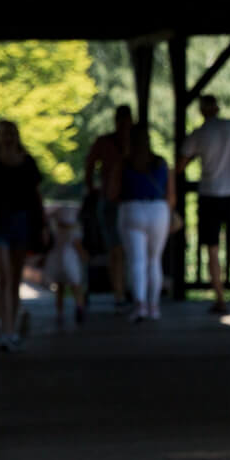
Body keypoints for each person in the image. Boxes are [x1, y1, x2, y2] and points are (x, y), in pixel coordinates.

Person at [179, 95, 230, 313]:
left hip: (210, 193)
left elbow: (180, 165)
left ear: (202, 111)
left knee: (212, 248)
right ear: (217, 108)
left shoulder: (199, 134)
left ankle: (220, 299)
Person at [0, 120, 44, 352]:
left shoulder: (27, 162)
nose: (8, 138)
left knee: (14, 278)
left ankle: (10, 329)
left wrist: (42, 225)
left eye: (11, 133)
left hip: (21, 221)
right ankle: (6, 330)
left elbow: (37, 196)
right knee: (2, 276)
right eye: (4, 133)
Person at [118, 121, 177, 322]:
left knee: (137, 261)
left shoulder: (125, 163)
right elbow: (171, 196)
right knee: (154, 260)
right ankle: (154, 306)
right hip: (158, 211)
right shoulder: (161, 163)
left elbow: (112, 191)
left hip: (132, 209)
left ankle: (140, 304)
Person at [84, 105, 137, 311]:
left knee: (125, 250)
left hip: (128, 201)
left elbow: (89, 166)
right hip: (113, 201)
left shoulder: (134, 143)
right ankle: (120, 292)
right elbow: (89, 166)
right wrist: (93, 189)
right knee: (116, 249)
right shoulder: (105, 142)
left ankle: (126, 291)